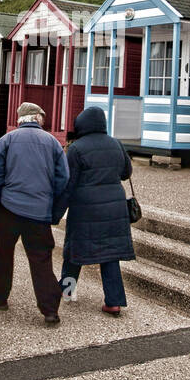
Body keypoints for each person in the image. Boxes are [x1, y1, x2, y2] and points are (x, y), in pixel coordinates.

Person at [0, 101, 68, 325]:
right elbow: (63, 180)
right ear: (38, 119)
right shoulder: (52, 142)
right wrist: (52, 210)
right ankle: (50, 310)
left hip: (9, 209)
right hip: (39, 213)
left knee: (3, 254)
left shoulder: (6, 140)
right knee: (41, 259)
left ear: (20, 120)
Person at [52, 107, 135, 315]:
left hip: (85, 209)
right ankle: (114, 302)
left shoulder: (77, 148)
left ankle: (67, 290)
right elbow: (126, 173)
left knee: (74, 252)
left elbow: (68, 185)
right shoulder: (116, 143)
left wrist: (55, 214)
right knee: (111, 254)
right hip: (115, 207)